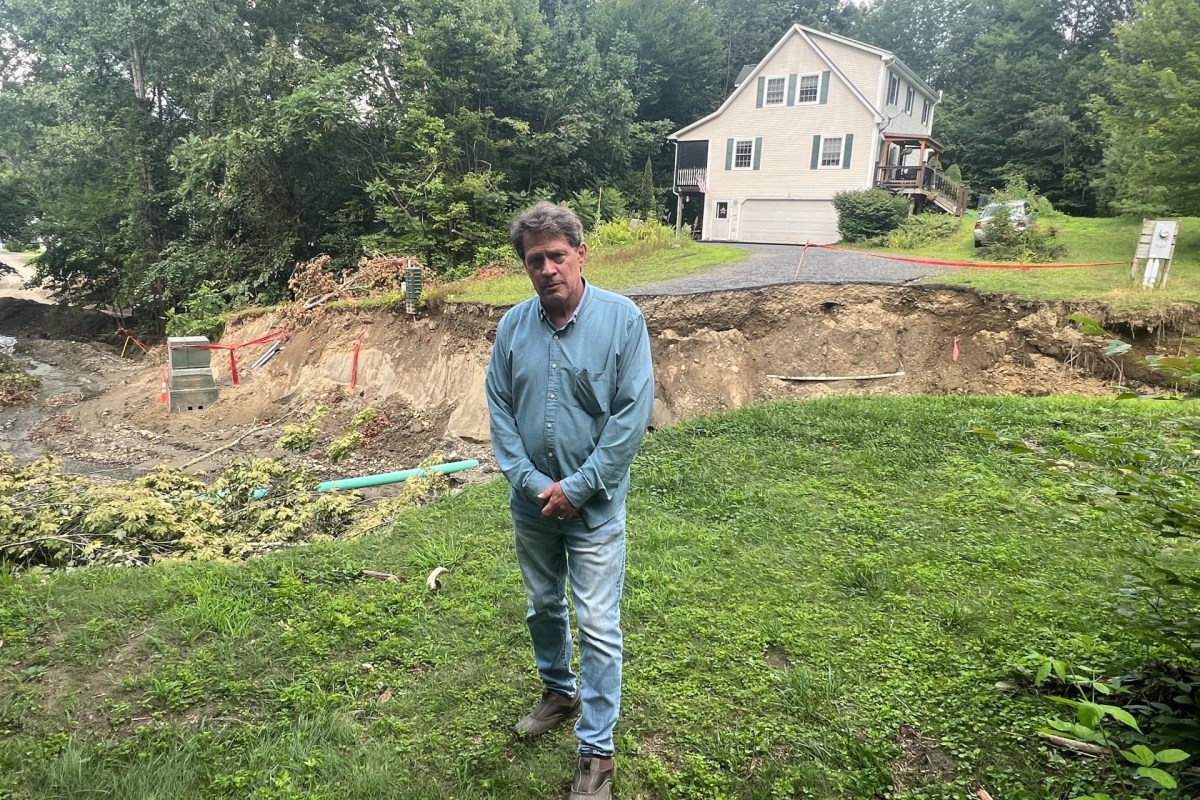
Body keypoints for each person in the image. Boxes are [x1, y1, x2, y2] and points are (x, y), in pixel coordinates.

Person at [485, 202, 655, 800]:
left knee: (599, 625)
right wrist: (537, 486)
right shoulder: (512, 328)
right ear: (525, 266)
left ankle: (597, 751)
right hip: (533, 506)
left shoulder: (623, 321)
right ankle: (559, 691)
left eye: (558, 256)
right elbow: (500, 413)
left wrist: (577, 488)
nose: (548, 269)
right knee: (541, 605)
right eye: (536, 260)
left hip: (595, 509)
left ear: (581, 254)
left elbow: (631, 417)